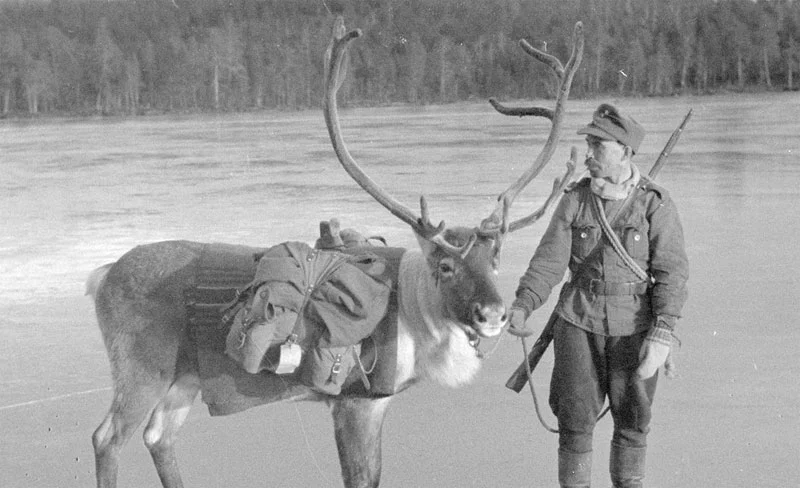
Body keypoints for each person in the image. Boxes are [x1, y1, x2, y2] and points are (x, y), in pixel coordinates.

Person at [507, 103, 689, 488]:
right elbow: (548, 263)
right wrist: (523, 304)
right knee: (574, 423)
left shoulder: (655, 204)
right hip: (578, 323)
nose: (588, 154)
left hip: (635, 328)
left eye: (598, 145)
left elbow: (672, 274)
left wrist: (662, 333)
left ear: (625, 151)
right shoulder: (574, 200)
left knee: (633, 424)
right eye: (588, 144)